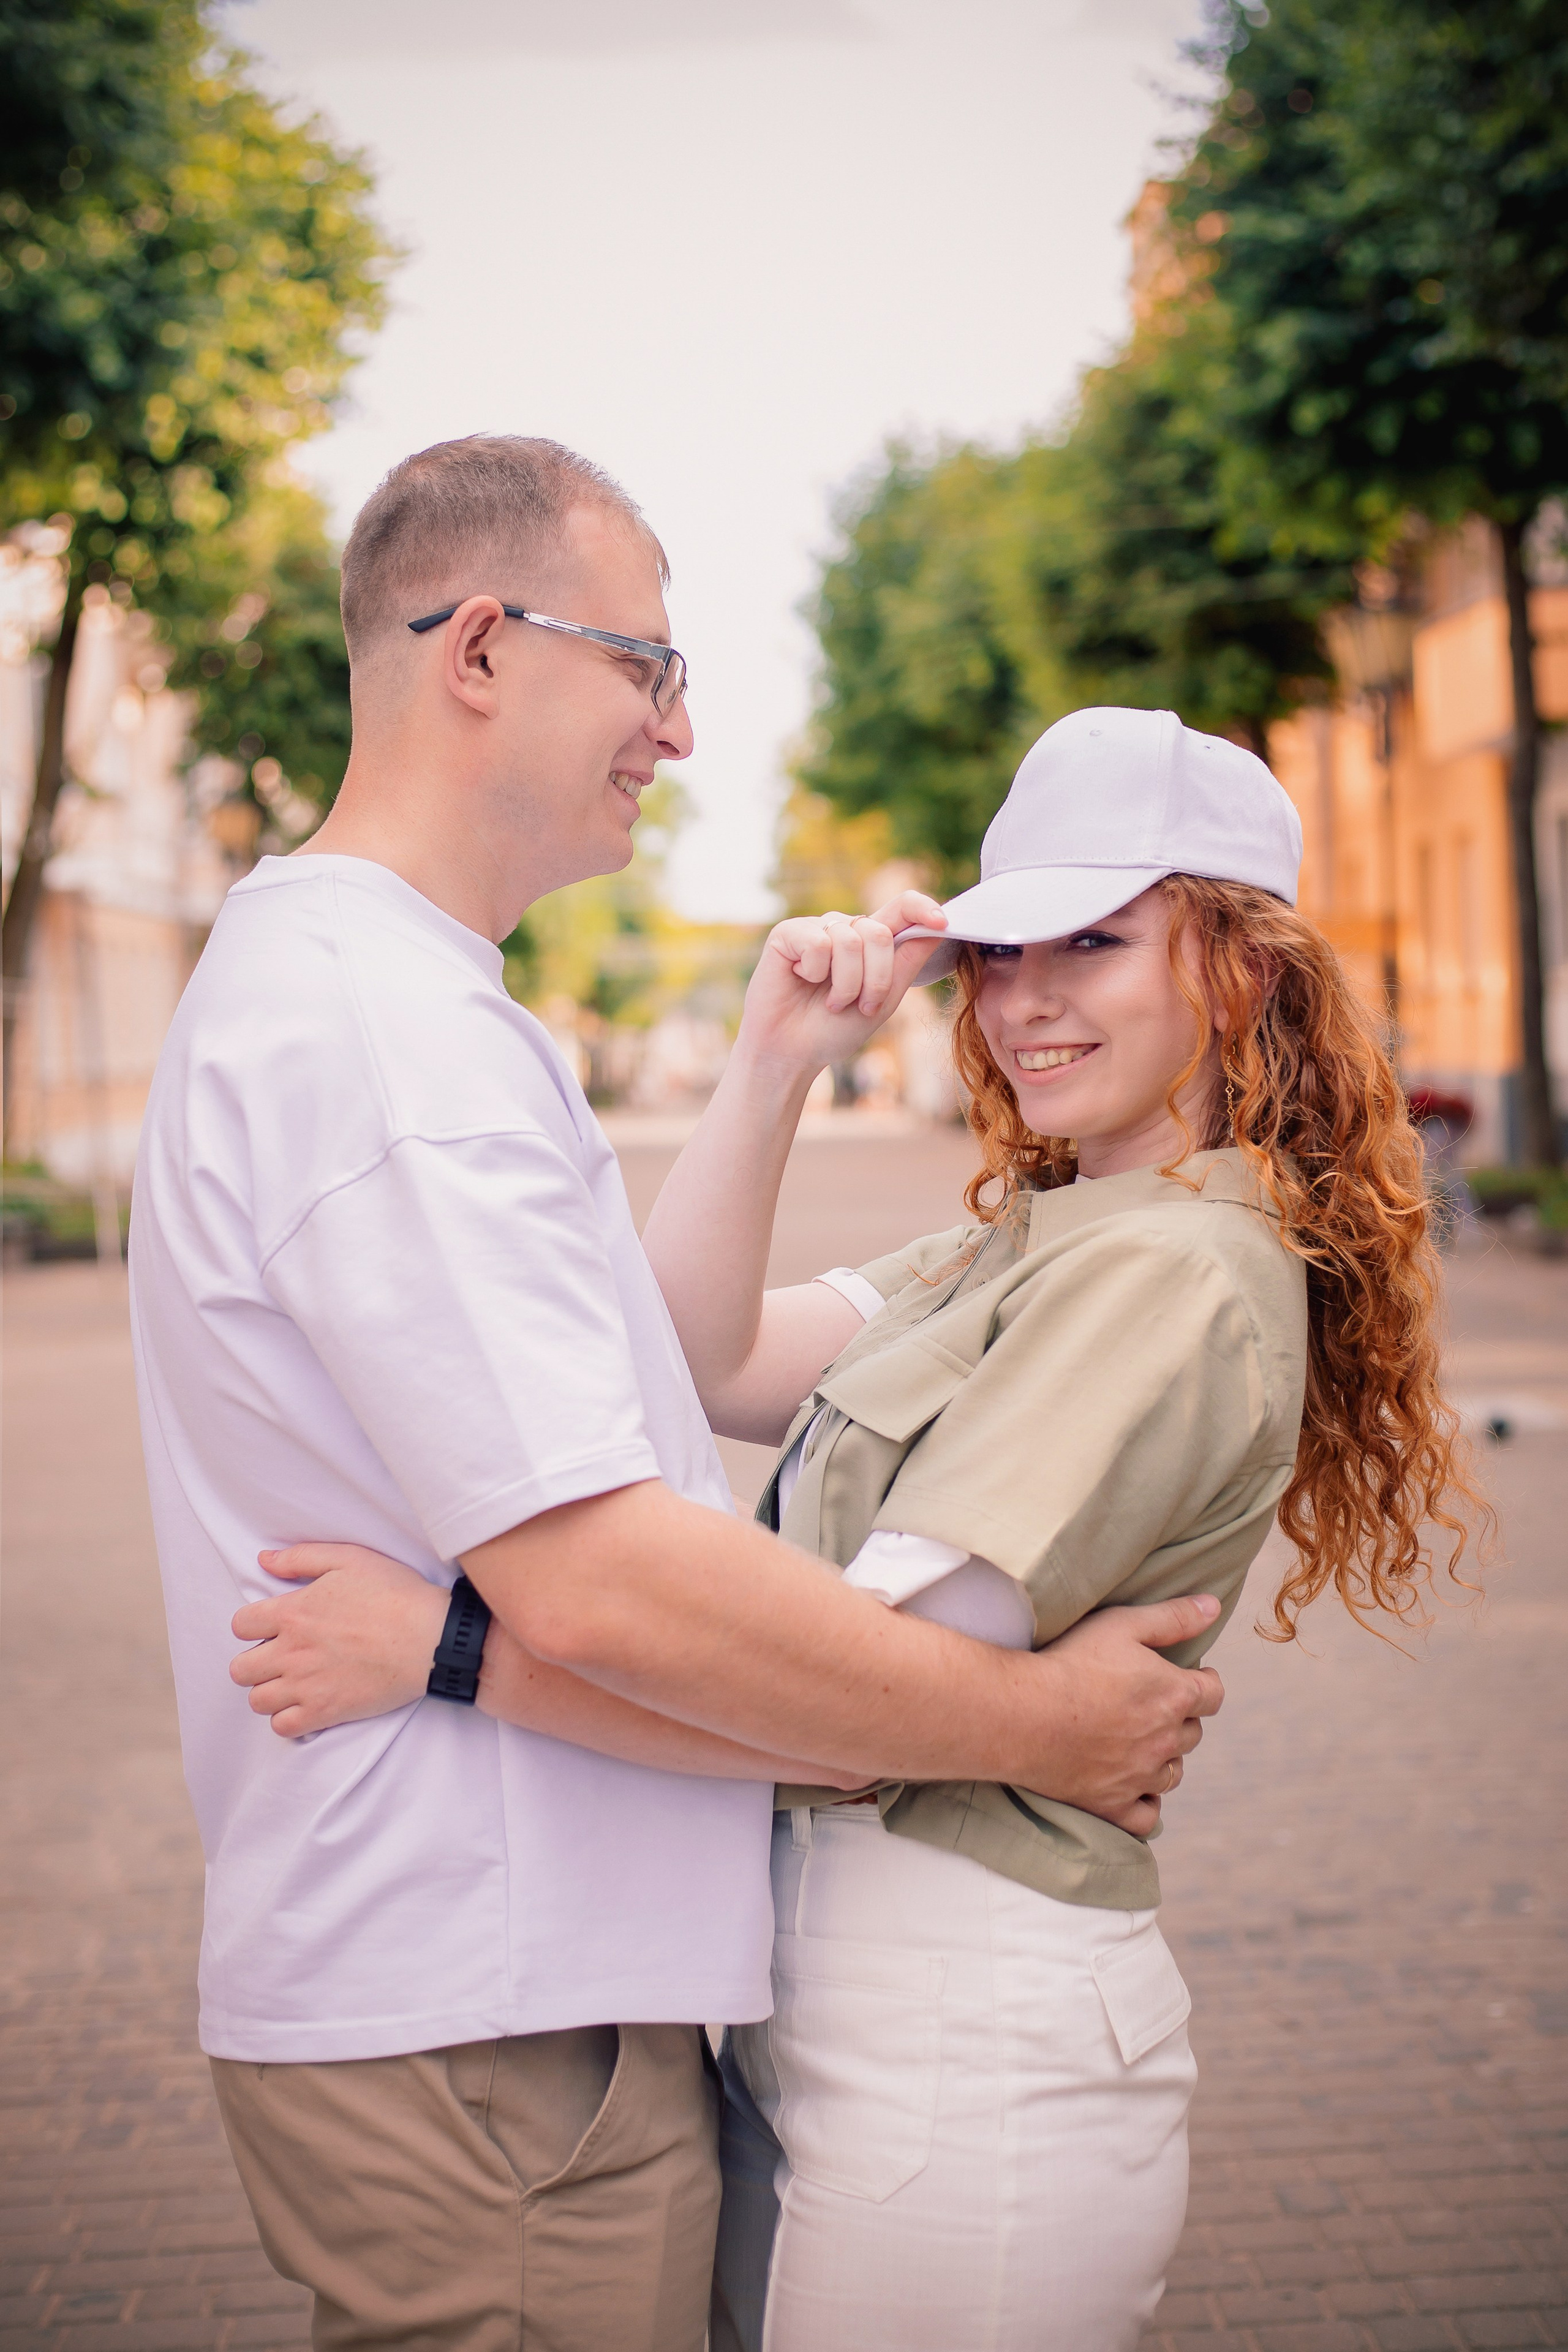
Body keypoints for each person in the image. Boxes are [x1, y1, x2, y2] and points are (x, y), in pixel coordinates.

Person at [130, 439, 1224, 2352]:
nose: (684, 728)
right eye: (647, 664)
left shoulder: (402, 1005)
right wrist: (1036, 1727)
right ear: (482, 649)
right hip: (486, 2010)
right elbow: (613, 1575)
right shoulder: (388, 1036)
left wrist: (454, 1642)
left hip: (522, 2002)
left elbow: (653, 1421)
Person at [251, 707, 1480, 2350]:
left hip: (967, 2044)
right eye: (996, 951)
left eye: (1093, 942)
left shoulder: (1170, 1270)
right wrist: (773, 1061)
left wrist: (448, 1650)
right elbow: (690, 1358)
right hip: (845, 2025)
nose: (1026, 997)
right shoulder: (1049, 1229)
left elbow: (850, 1711)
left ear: (1242, 964)